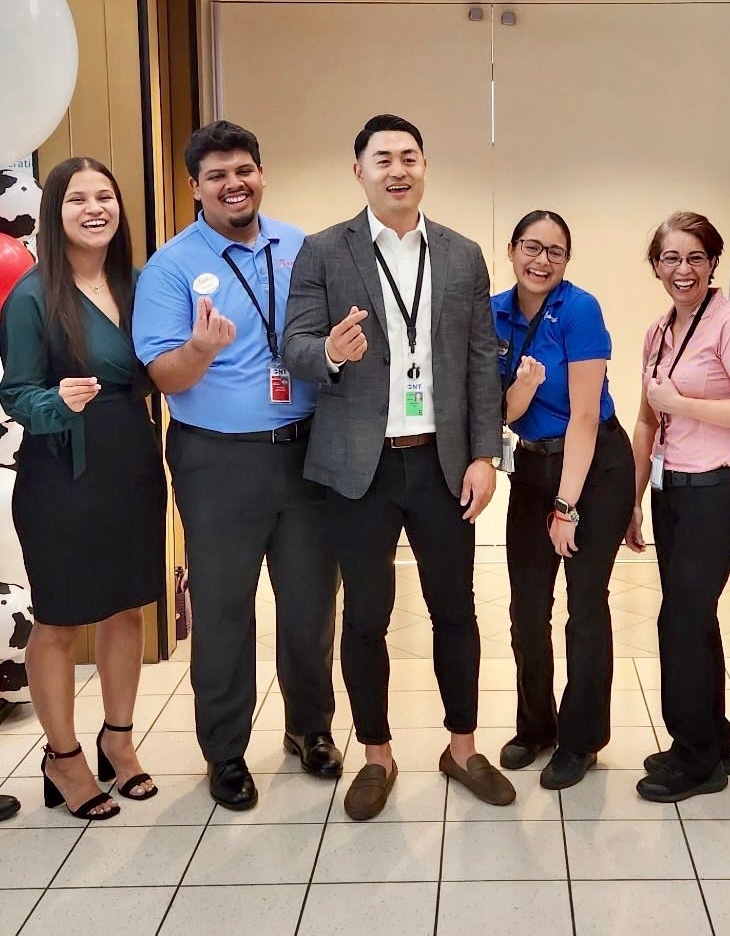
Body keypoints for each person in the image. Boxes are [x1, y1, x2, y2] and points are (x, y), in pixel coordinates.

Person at [282, 114, 512, 819]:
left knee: (456, 613)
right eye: (381, 158)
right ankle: (376, 754)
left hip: (442, 464)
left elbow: (480, 361)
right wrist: (330, 354)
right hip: (360, 468)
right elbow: (293, 344)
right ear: (359, 171)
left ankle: (462, 747)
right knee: (365, 618)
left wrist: (483, 454)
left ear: (423, 166)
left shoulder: (463, 254)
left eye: (409, 156)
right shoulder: (323, 250)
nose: (396, 169)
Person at [133, 122, 340, 812]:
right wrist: (199, 350)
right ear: (195, 187)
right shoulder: (170, 266)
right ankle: (224, 752)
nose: (233, 184)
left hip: (306, 453)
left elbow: (321, 339)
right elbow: (164, 375)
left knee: (311, 605)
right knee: (224, 613)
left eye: (244, 169)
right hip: (216, 461)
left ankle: (309, 730)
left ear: (261, 173)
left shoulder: (300, 246)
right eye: (217, 174)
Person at [0, 157, 166, 820]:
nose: (95, 208)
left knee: (127, 608)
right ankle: (62, 757)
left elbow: (158, 365)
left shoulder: (140, 285)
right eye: (78, 199)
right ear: (54, 213)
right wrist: (56, 404)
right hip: (59, 472)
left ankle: (118, 742)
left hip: (130, 459)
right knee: (61, 620)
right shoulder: (34, 294)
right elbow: (16, 393)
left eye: (106, 195)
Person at [627, 212, 730, 804]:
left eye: (694, 258)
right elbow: (645, 418)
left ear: (714, 262)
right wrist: (634, 499)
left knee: (681, 620)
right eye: (670, 259)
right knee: (694, 620)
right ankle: (711, 740)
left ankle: (698, 760)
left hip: (717, 489)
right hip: (671, 491)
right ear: (656, 266)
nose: (682, 270)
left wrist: (684, 403)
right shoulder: (659, 330)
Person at [494, 211, 635, 790]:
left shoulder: (579, 309)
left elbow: (582, 414)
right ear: (512, 249)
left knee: (584, 606)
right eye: (533, 247)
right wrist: (521, 389)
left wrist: (567, 507)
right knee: (527, 610)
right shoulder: (494, 311)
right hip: (531, 466)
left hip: (593, 468)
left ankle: (580, 741)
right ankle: (536, 727)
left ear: (566, 261)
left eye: (556, 251)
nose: (542, 260)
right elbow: (497, 413)